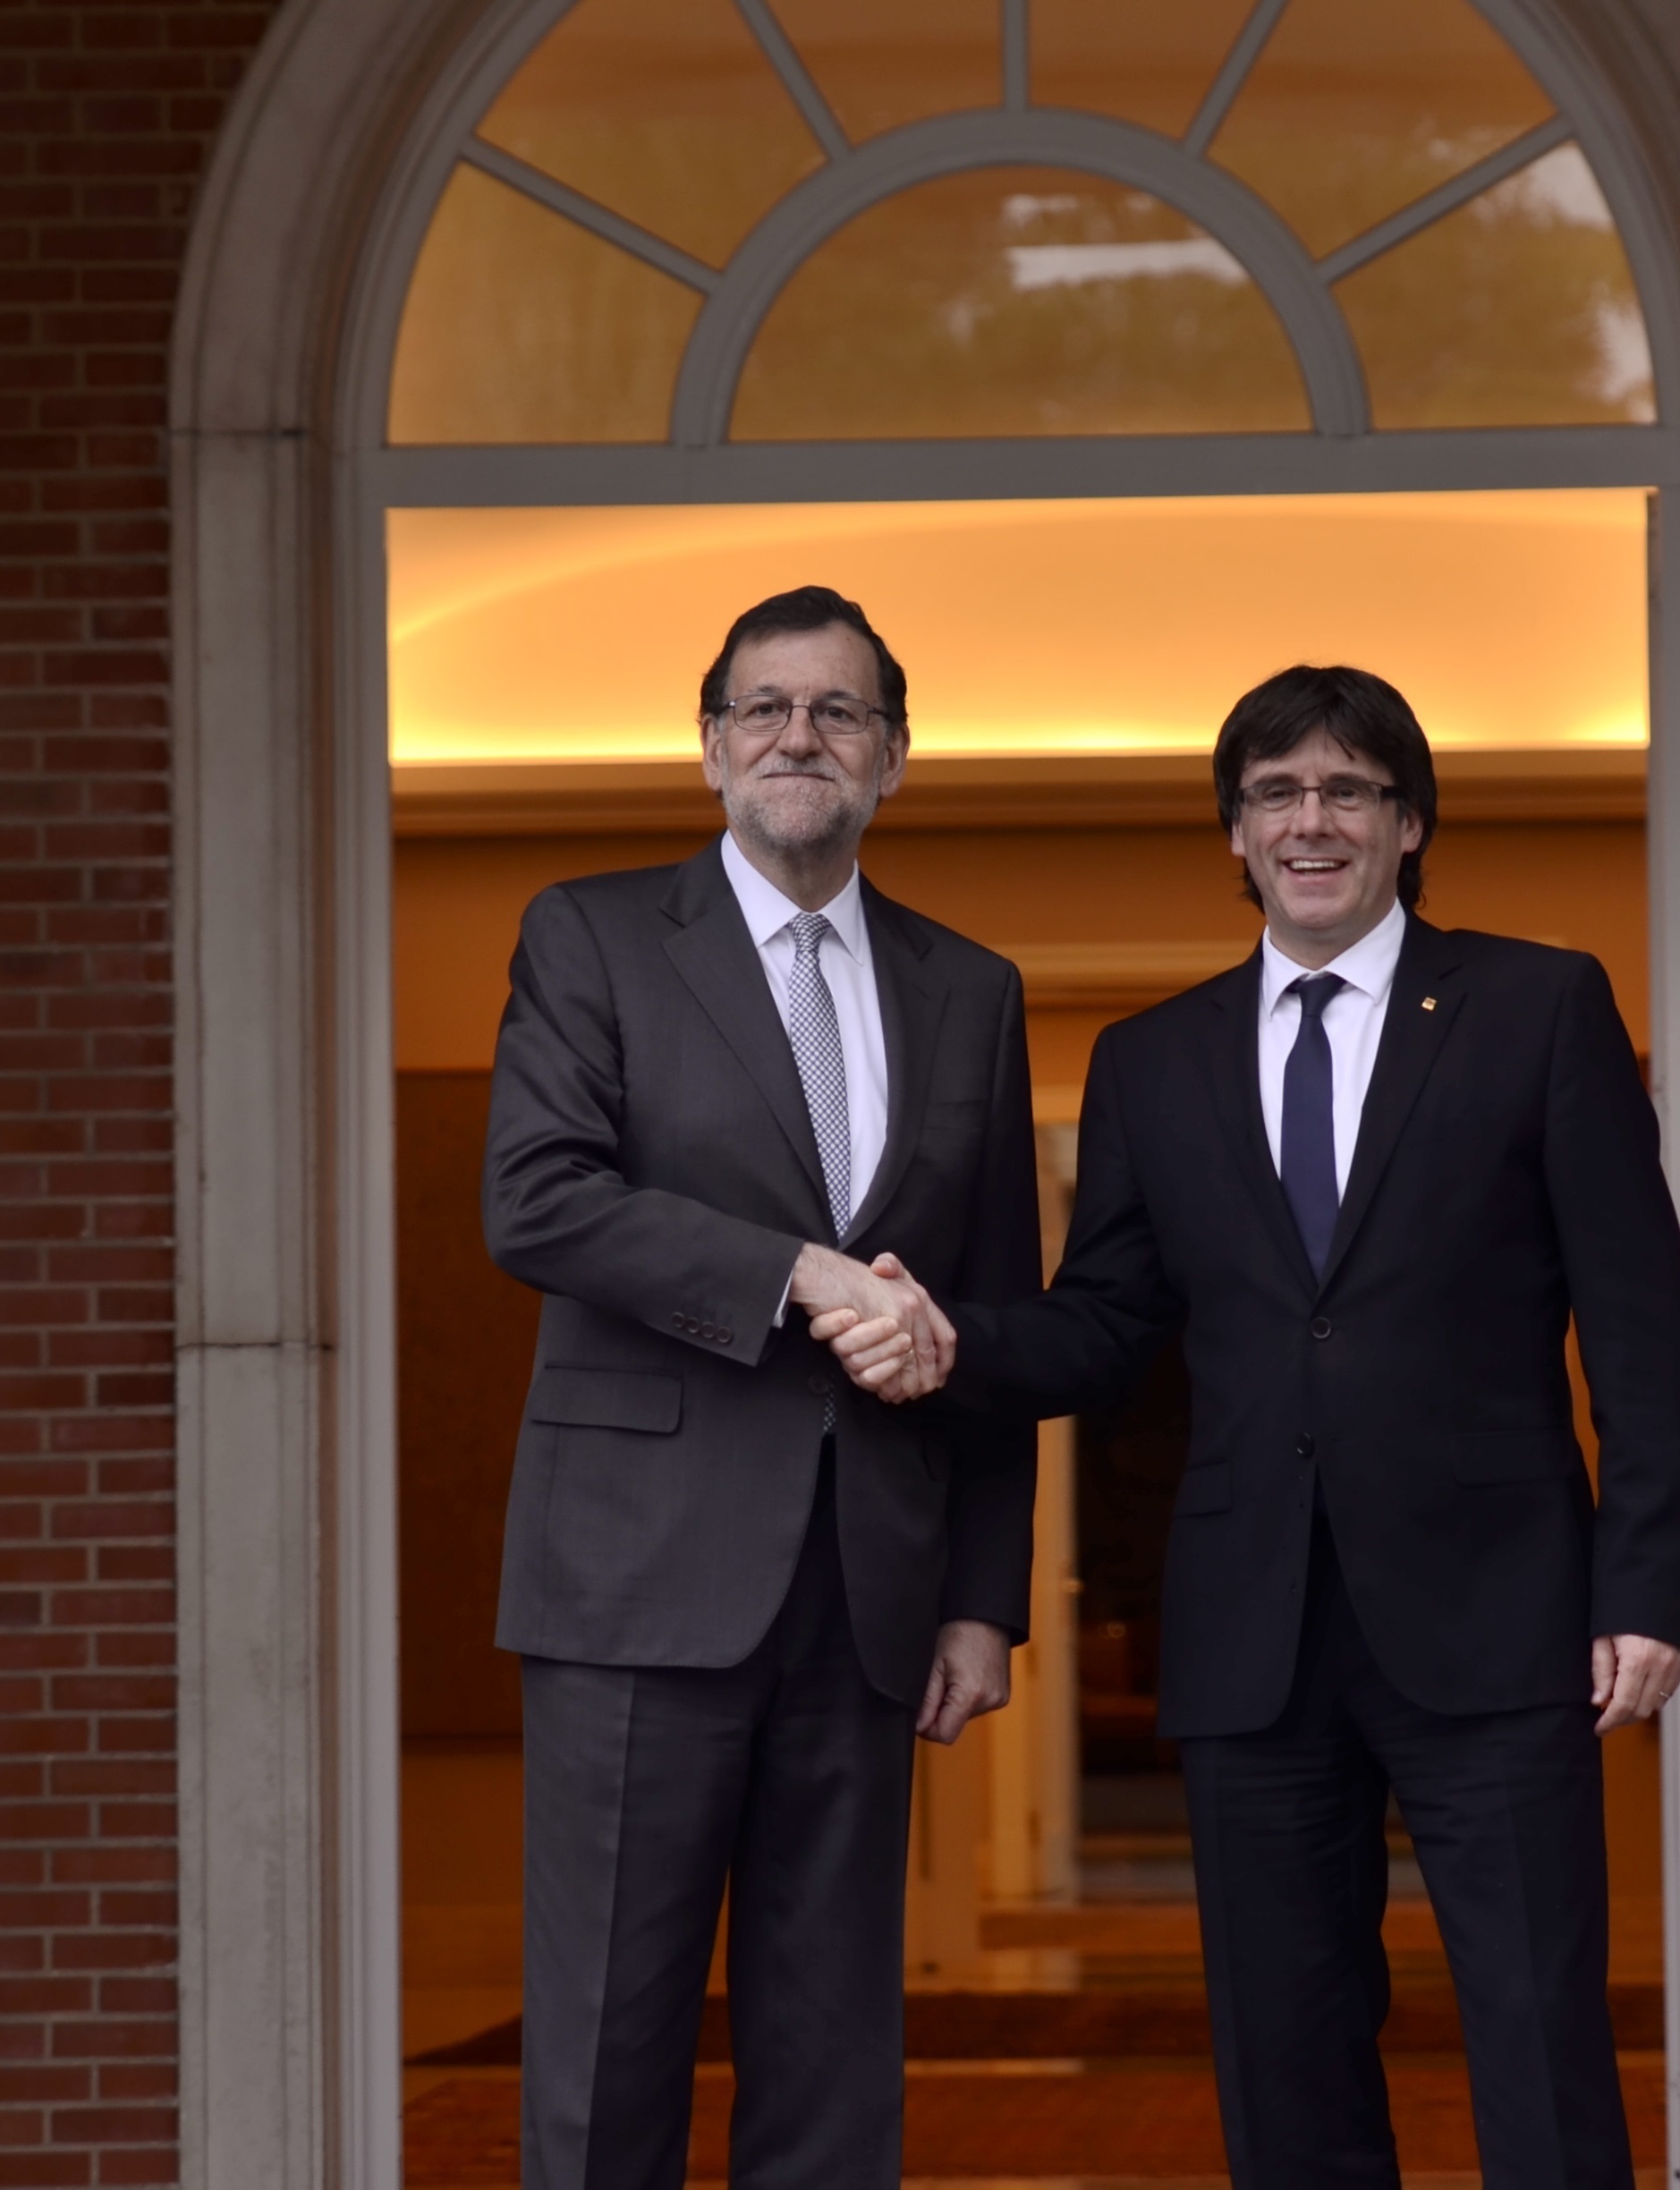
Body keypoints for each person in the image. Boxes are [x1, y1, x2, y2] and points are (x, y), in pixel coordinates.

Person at [821, 664, 1680, 2190]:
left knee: (1539, 2038)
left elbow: (1639, 1322)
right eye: (1276, 793)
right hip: (1252, 1631)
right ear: (1234, 831)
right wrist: (946, 1337)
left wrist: (1648, 1582)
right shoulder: (1152, 1060)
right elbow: (1108, 1322)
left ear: (1409, 823)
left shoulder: (1539, 1008)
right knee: (1284, 2058)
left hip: (1500, 1613)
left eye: (1349, 790)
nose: (1312, 821)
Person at [480, 584, 1032, 2190]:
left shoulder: (970, 989)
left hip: (868, 1598)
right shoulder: (590, 935)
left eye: (839, 711)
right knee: (607, 2057)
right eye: (766, 708)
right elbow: (537, 1200)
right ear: (711, 745)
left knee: (833, 2067)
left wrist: (982, 1599)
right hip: (633, 1587)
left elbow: (993, 1315)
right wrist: (804, 1274)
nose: (802, 736)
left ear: (894, 757)